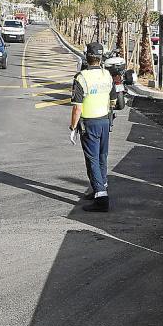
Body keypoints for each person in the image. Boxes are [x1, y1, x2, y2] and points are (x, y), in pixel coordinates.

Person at [70, 42, 117, 213]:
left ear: (87, 57)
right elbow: (113, 101)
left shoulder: (81, 77)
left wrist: (73, 127)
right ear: (101, 57)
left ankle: (101, 198)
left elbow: (77, 107)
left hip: (89, 124)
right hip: (105, 121)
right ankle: (100, 187)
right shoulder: (107, 75)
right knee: (102, 157)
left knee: (92, 160)